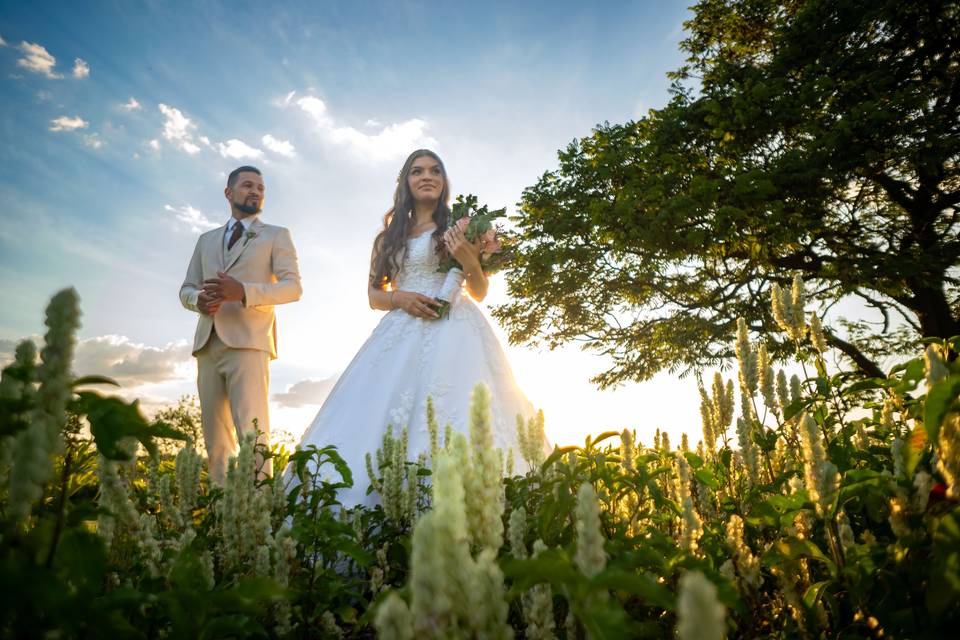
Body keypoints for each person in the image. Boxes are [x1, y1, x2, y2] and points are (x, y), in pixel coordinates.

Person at [294, 149, 546, 507]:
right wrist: (401, 299)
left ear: (443, 181)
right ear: (406, 183)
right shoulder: (387, 239)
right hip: (401, 325)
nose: (426, 176)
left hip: (456, 329)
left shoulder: (461, 227)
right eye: (417, 171)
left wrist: (469, 257)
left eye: (434, 170)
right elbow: (373, 295)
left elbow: (479, 290)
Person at [180, 166, 302, 484]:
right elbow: (186, 289)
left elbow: (293, 288)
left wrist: (244, 292)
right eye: (248, 185)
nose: (256, 191)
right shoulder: (205, 241)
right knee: (215, 441)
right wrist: (198, 301)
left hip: (250, 343)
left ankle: (260, 515)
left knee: (253, 433)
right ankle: (221, 516)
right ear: (228, 192)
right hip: (207, 343)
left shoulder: (277, 235)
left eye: (261, 188)